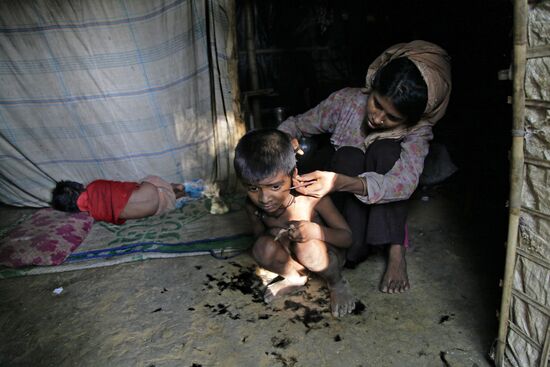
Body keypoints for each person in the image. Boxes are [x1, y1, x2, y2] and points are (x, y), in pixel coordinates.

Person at [278, 40, 452, 294]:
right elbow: (297, 124)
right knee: (348, 155)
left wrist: (340, 181)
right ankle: (355, 244)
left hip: (383, 213)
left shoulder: (418, 130)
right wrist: (284, 141)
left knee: (385, 150)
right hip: (350, 214)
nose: (377, 118)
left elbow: (404, 183)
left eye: (392, 117)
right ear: (372, 88)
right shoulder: (347, 101)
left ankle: (395, 250)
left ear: (410, 118)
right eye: (377, 103)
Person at [234, 129, 356, 317]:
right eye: (253, 188)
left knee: (306, 247)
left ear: (293, 175)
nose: (264, 198)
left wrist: (315, 231)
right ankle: (295, 277)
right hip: (292, 255)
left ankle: (337, 283)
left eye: (275, 186)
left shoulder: (312, 198)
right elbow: (259, 237)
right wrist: (274, 241)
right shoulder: (252, 207)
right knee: (260, 247)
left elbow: (347, 238)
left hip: (327, 257)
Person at [51, 175, 186, 224]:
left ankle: (179, 195)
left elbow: (119, 219)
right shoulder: (94, 186)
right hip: (150, 191)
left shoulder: (94, 214)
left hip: (154, 209)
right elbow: (125, 187)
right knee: (149, 180)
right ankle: (175, 187)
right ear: (70, 189)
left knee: (162, 200)